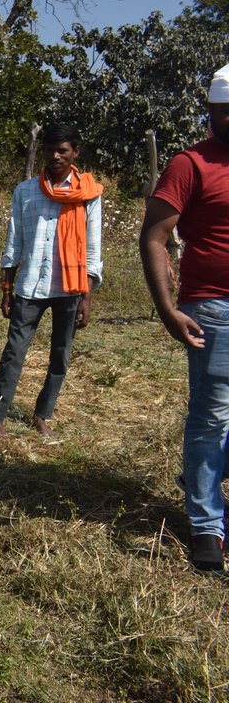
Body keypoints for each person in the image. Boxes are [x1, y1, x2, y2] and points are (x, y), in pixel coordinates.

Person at [140, 63, 229, 572]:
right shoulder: (190, 164)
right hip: (213, 308)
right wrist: (167, 309)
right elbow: (153, 237)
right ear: (212, 112)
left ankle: (203, 483)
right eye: (225, 110)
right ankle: (207, 528)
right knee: (211, 417)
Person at [0, 124, 103, 439]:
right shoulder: (26, 191)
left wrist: (88, 297)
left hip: (70, 288)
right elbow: (14, 243)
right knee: (14, 352)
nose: (55, 156)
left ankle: (42, 415)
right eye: (50, 150)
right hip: (30, 287)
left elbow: (93, 249)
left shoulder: (89, 194)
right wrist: (7, 289)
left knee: (60, 355)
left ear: (75, 153)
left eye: (62, 150)